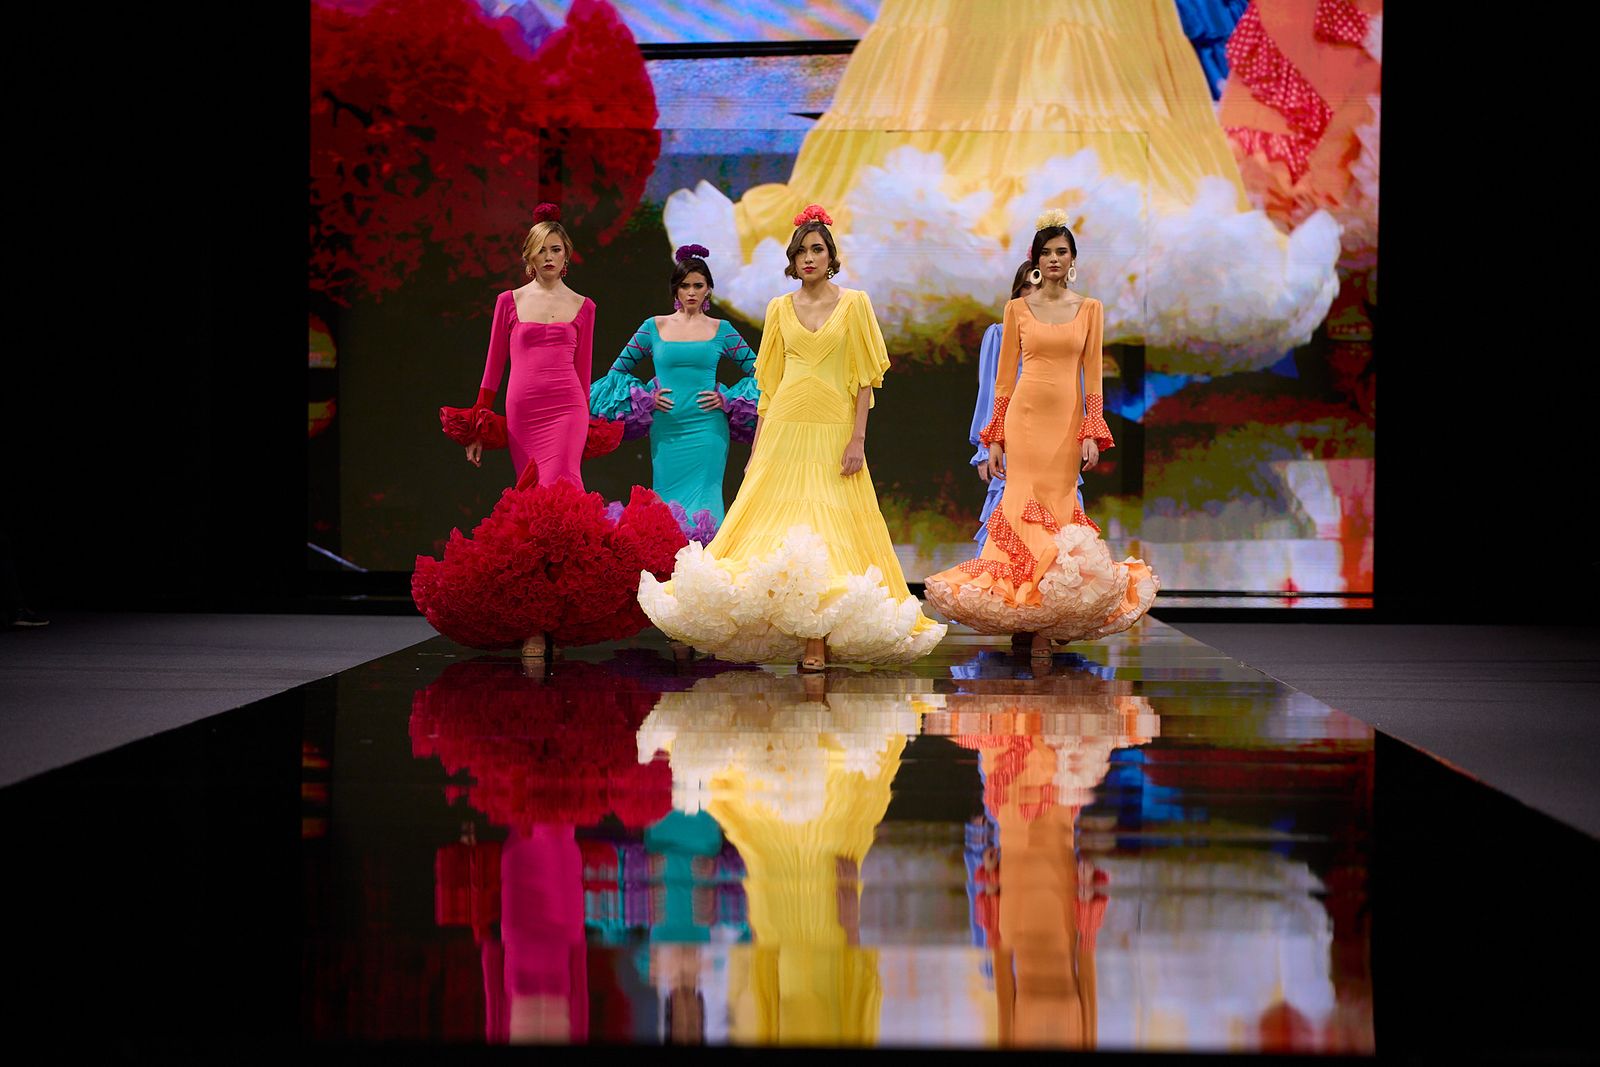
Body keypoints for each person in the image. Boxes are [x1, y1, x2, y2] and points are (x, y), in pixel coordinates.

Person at [638, 205, 945, 669]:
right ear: (792, 258)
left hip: (833, 426)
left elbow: (864, 378)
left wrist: (858, 438)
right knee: (775, 525)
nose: (808, 258)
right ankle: (797, 633)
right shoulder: (779, 309)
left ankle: (818, 635)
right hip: (784, 425)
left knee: (830, 523)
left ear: (830, 255)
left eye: (816, 249)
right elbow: (769, 385)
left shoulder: (855, 304)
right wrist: (758, 447)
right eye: (801, 250)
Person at [925, 211, 1157, 656]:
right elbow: (1004, 381)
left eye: (1061, 252)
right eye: (1046, 252)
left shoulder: (1090, 309)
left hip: (1067, 426)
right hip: (1023, 421)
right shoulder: (1017, 309)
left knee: (1062, 509)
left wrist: (1091, 430)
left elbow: (1093, 376)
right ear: (1036, 260)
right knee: (1019, 505)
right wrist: (993, 438)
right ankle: (1030, 617)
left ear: (1072, 260)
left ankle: (1048, 619)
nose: (1053, 259)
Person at [589, 244, 759, 538]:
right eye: (685, 286)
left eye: (698, 285)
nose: (691, 292)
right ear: (675, 291)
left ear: (709, 290)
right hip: (667, 430)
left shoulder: (723, 330)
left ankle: (703, 576)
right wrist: (645, 397)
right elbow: (616, 372)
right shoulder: (653, 327)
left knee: (707, 503)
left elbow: (763, 372)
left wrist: (727, 398)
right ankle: (668, 576)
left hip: (708, 430)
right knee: (666, 504)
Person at [440, 202, 595, 489]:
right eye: (541, 250)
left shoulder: (584, 306)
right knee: (531, 491)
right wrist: (476, 430)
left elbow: (583, 373)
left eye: (556, 249)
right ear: (529, 257)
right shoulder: (509, 301)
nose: (548, 257)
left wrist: (585, 425)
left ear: (566, 256)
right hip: (523, 412)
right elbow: (493, 366)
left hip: (568, 409)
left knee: (562, 489)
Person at [970, 261, 1035, 551]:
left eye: (1039, 286)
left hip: (1053, 434)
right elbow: (989, 392)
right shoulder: (1000, 333)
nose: (1032, 293)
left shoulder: (1063, 332)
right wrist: (985, 448)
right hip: (1011, 436)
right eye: (1026, 286)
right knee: (1008, 512)